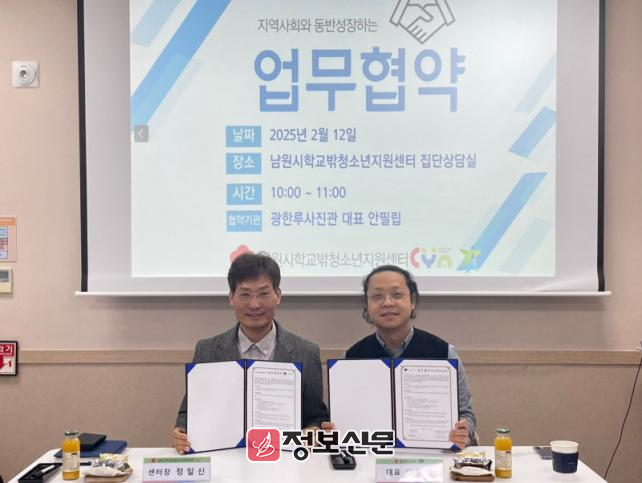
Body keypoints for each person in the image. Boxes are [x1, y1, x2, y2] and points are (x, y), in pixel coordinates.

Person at [172, 252, 329, 453]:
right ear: (231, 297)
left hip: (284, 459)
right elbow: (189, 413)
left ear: (278, 295)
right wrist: (181, 432)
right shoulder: (207, 351)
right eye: (245, 294)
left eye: (263, 294)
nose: (254, 304)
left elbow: (316, 417)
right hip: (223, 458)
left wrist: (314, 430)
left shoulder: (306, 352)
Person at [344, 264, 477, 449]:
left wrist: (463, 432)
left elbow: (466, 414)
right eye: (377, 296)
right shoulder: (351, 359)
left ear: (412, 301)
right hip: (370, 455)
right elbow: (347, 416)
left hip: (433, 455)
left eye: (397, 295)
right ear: (366, 305)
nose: (387, 303)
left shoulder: (444, 353)